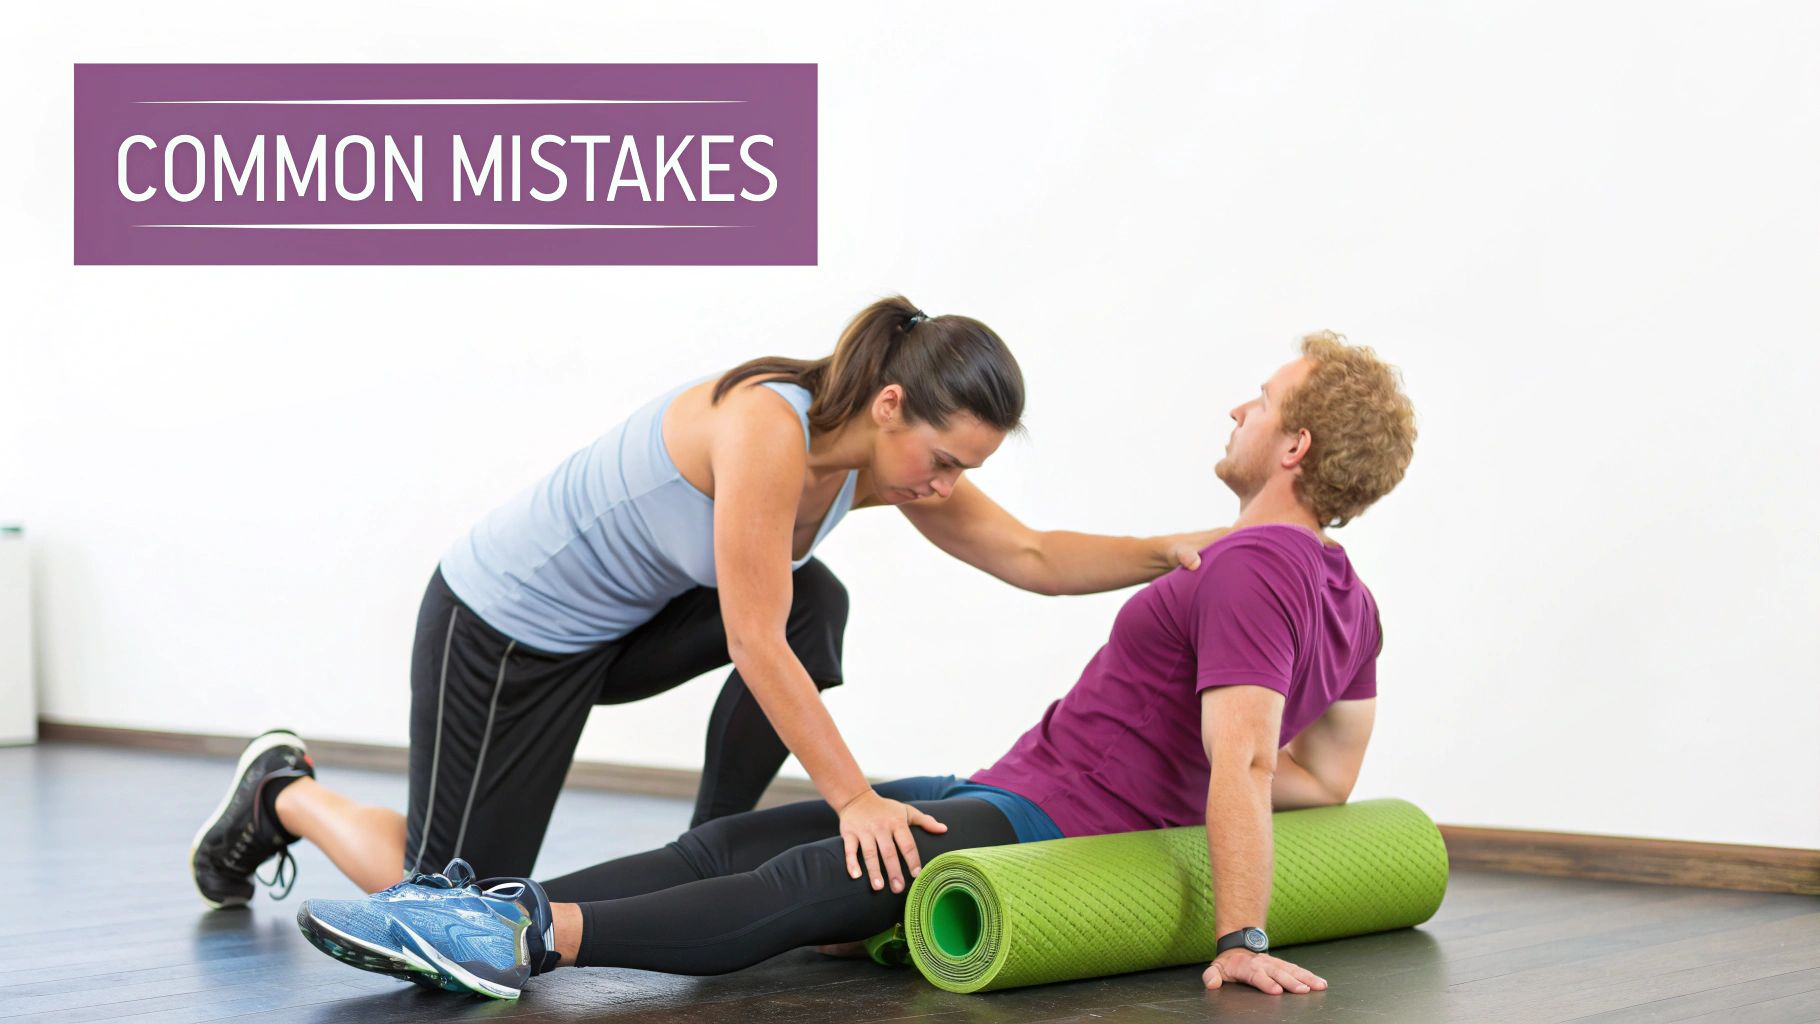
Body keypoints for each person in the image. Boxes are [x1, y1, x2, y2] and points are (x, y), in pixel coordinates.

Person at [295, 330, 1418, 1000]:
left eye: (1260, 399)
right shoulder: (1345, 596)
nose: (1237, 405)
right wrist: (1181, 752)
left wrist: (1239, 933)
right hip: (1005, 783)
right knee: (738, 837)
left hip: (1051, 820)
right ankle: (480, 904)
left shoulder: (1252, 569)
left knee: (806, 880)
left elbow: (1248, 756)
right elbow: (1319, 780)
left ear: (1294, 445)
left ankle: (519, 932)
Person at [188, 295, 1222, 910]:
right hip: (503, 626)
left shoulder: (878, 466)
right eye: (943, 460)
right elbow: (749, 638)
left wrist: (1172, 550)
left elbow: (1031, 554)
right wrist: (853, 797)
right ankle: (284, 790)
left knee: (817, 598)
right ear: (890, 404)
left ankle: (707, 842)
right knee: (450, 903)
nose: (945, 486)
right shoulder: (767, 425)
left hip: (618, 630)